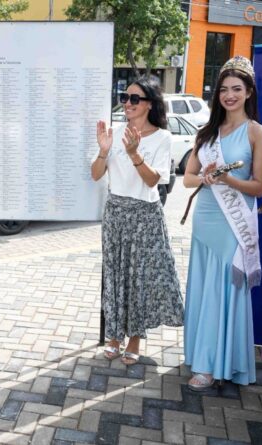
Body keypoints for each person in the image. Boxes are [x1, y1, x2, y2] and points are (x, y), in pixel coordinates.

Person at [181, 56, 262, 391]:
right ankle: (200, 356)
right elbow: (188, 179)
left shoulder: (258, 134)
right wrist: (206, 178)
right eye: (223, 89)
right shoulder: (207, 133)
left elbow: (259, 186)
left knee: (225, 291)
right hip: (205, 220)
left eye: (236, 89)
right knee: (205, 290)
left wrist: (228, 179)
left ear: (249, 92)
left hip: (233, 226)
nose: (229, 95)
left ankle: (217, 364)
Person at [92, 75, 184, 365]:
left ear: (149, 104)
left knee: (139, 279)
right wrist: (104, 151)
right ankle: (115, 336)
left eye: (134, 99)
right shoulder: (115, 131)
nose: (127, 103)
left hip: (144, 215)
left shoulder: (162, 137)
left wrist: (134, 154)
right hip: (116, 212)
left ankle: (134, 339)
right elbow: (96, 174)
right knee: (115, 276)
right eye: (125, 97)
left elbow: (152, 181)